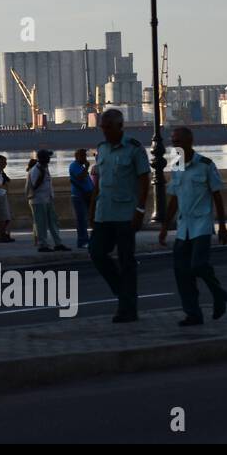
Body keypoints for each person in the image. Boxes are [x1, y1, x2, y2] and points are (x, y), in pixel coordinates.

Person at [161, 126, 227, 327]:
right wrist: (165, 226)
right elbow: (174, 196)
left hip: (201, 224)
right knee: (181, 272)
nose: (175, 145)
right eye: (173, 142)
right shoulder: (177, 164)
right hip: (183, 227)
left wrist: (223, 227)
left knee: (198, 265)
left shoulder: (206, 165)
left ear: (190, 142)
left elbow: (217, 196)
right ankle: (193, 314)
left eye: (178, 141)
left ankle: (219, 293)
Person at [88, 109, 151, 323]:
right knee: (96, 252)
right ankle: (123, 295)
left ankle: (128, 309)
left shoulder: (134, 149)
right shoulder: (102, 149)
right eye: (102, 127)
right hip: (103, 213)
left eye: (108, 127)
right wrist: (91, 209)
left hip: (125, 214)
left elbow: (144, 181)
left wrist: (140, 210)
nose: (104, 131)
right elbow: (98, 182)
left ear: (120, 126)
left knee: (126, 262)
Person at [26, 150, 68, 253]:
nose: (49, 159)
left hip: (47, 199)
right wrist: (42, 173)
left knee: (53, 222)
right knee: (41, 223)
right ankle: (42, 245)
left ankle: (58, 243)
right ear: (42, 158)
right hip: (39, 200)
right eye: (48, 157)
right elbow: (35, 186)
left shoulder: (44, 168)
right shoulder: (36, 170)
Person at [68, 149, 95, 248]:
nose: (85, 157)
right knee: (81, 220)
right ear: (77, 156)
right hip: (79, 197)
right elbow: (80, 177)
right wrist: (87, 166)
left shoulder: (80, 166)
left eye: (85, 155)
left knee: (90, 218)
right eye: (82, 156)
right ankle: (82, 241)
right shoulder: (74, 166)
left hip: (87, 195)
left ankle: (90, 240)